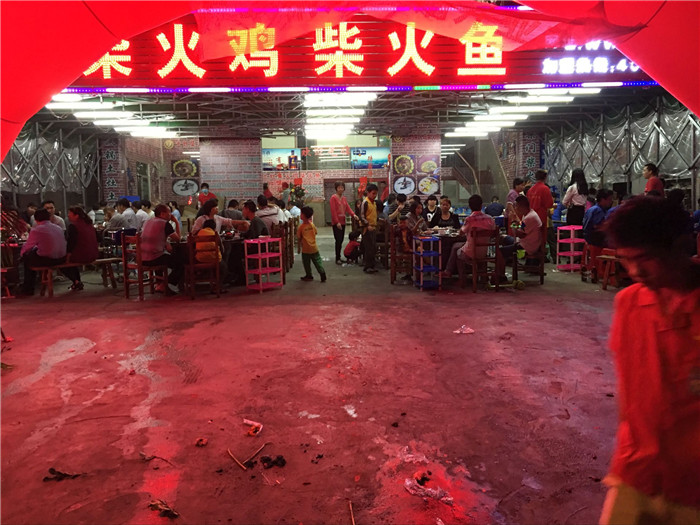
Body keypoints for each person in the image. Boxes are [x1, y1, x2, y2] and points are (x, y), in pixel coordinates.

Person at [598, 196, 700, 525]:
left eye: (645, 258)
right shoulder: (629, 304)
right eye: (626, 260)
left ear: (682, 245)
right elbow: (629, 392)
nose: (635, 272)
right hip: (636, 471)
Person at [442, 195, 495, 279]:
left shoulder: (469, 219)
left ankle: (459, 276)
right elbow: (494, 232)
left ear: (469, 207)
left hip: (470, 252)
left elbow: (461, 233)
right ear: (481, 205)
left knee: (456, 248)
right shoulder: (490, 219)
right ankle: (483, 277)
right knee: (456, 246)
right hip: (484, 252)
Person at [20, 208, 66, 295]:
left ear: (36, 219)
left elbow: (28, 246)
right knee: (32, 254)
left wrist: (22, 254)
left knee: (27, 257)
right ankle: (29, 287)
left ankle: (28, 288)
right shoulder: (58, 228)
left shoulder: (37, 230)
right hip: (61, 258)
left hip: (48, 260)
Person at [497, 195, 542, 281]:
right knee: (502, 237)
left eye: (516, 206)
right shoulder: (529, 214)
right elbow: (522, 227)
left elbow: (518, 234)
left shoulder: (529, 218)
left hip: (526, 246)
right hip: (523, 241)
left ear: (522, 206)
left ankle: (501, 275)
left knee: (500, 251)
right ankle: (507, 261)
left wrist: (513, 221)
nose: (516, 208)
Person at [140, 204, 183, 294]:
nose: (171, 215)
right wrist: (176, 222)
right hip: (153, 258)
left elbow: (155, 237)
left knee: (162, 255)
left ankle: (159, 284)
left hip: (141, 258)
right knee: (181, 263)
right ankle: (163, 285)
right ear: (162, 214)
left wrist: (166, 243)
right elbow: (178, 239)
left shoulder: (148, 221)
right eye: (169, 212)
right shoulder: (164, 223)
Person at [581, 189, 614, 283]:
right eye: (609, 199)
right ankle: (607, 272)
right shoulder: (598, 210)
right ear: (603, 199)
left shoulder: (592, 209)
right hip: (595, 239)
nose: (611, 201)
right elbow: (597, 226)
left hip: (589, 237)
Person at [63, 206, 99, 290]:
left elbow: (71, 243)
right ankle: (77, 282)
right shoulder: (89, 224)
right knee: (70, 261)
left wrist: (68, 255)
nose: (68, 215)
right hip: (94, 254)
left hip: (82, 255)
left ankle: (76, 281)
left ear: (76, 215)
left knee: (62, 262)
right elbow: (99, 238)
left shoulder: (73, 226)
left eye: (70, 213)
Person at [330, 181, 358, 264]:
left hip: (343, 222)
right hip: (336, 223)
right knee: (338, 240)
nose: (340, 189)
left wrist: (353, 215)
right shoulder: (333, 198)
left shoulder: (344, 198)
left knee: (341, 240)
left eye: (342, 187)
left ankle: (339, 257)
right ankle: (337, 258)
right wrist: (337, 222)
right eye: (339, 187)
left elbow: (348, 208)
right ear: (336, 188)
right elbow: (333, 211)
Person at [195, 218, 228, 287]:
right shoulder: (215, 234)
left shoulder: (198, 232)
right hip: (215, 259)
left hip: (200, 259)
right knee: (224, 267)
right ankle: (218, 286)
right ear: (214, 227)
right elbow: (222, 250)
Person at [297, 206, 326, 282]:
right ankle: (322, 272)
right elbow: (315, 232)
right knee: (317, 261)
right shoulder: (312, 225)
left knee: (306, 263)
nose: (300, 215)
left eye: (301, 213)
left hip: (306, 249)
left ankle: (309, 275)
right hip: (314, 247)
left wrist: (299, 248)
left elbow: (299, 238)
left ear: (304, 215)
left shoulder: (301, 227)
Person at [359, 183, 379, 274]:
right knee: (368, 248)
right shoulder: (365, 202)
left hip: (373, 228)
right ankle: (367, 267)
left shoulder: (374, 203)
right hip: (366, 229)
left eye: (376, 194)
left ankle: (372, 266)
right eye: (373, 193)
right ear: (368, 193)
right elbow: (362, 216)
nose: (374, 195)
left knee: (373, 248)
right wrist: (367, 225)